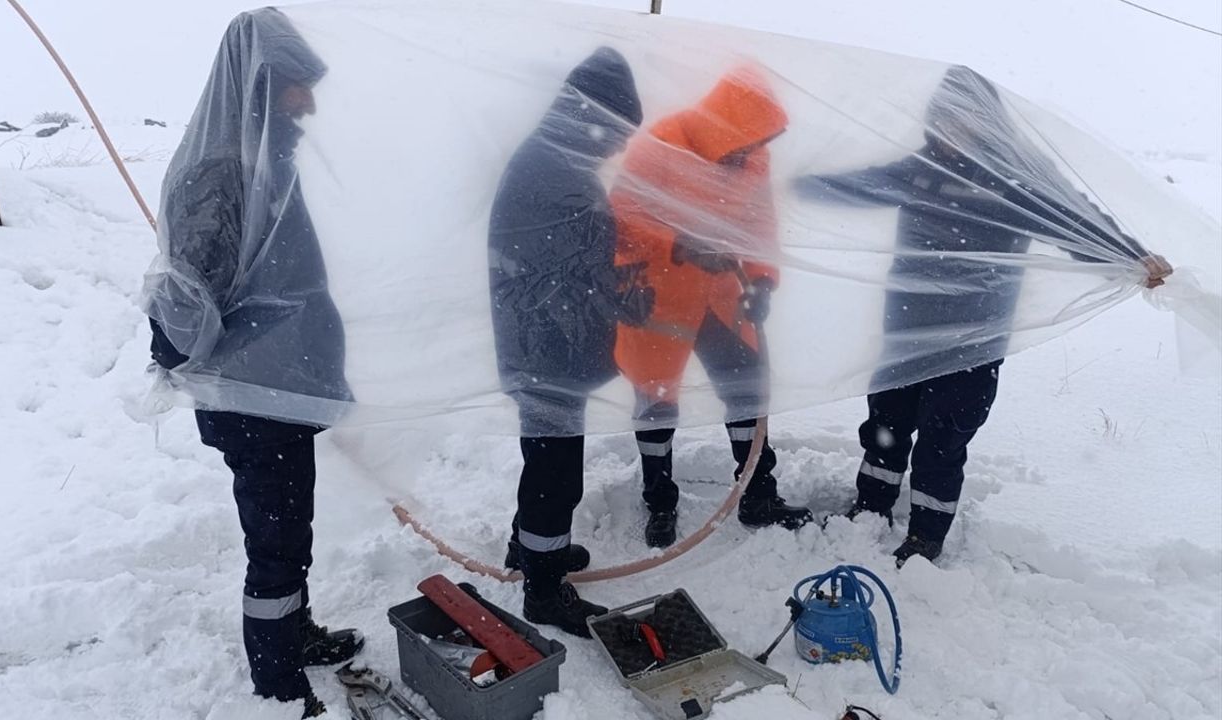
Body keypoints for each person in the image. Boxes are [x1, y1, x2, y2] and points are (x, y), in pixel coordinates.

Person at [794, 66, 1173, 567]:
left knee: (942, 441)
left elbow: (1074, 220)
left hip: (974, 338)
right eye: (946, 118)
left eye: (966, 119)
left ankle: (926, 536)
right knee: (886, 426)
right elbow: (861, 186)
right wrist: (794, 186)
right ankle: (870, 509)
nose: (955, 130)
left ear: (987, 122)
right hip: (907, 328)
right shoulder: (922, 168)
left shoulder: (1014, 179)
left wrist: (1130, 255)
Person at [143, 9, 361, 717]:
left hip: (281, 390)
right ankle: (276, 685)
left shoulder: (269, 162)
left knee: (287, 532)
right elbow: (188, 295)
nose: (310, 101)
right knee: (273, 545)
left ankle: (294, 634)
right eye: (299, 85)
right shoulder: (221, 177)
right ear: (265, 84)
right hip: (252, 397)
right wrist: (169, 349)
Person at [610, 65, 813, 549]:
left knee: (748, 392)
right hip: (661, 296)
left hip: (723, 297)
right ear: (726, 124)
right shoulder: (660, 145)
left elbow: (759, 225)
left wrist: (762, 280)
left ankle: (757, 494)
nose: (750, 152)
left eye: (757, 143)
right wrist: (678, 245)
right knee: (656, 400)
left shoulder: (754, 158)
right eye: (745, 141)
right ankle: (659, 501)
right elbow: (622, 218)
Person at [488, 47, 650, 636]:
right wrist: (624, 291)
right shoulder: (554, 172)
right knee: (556, 475)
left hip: (542, 345)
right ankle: (544, 587)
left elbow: (577, 260)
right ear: (596, 116)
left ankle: (526, 548)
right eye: (617, 132)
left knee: (544, 460)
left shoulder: (553, 159)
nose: (618, 147)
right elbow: (573, 267)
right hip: (546, 350)